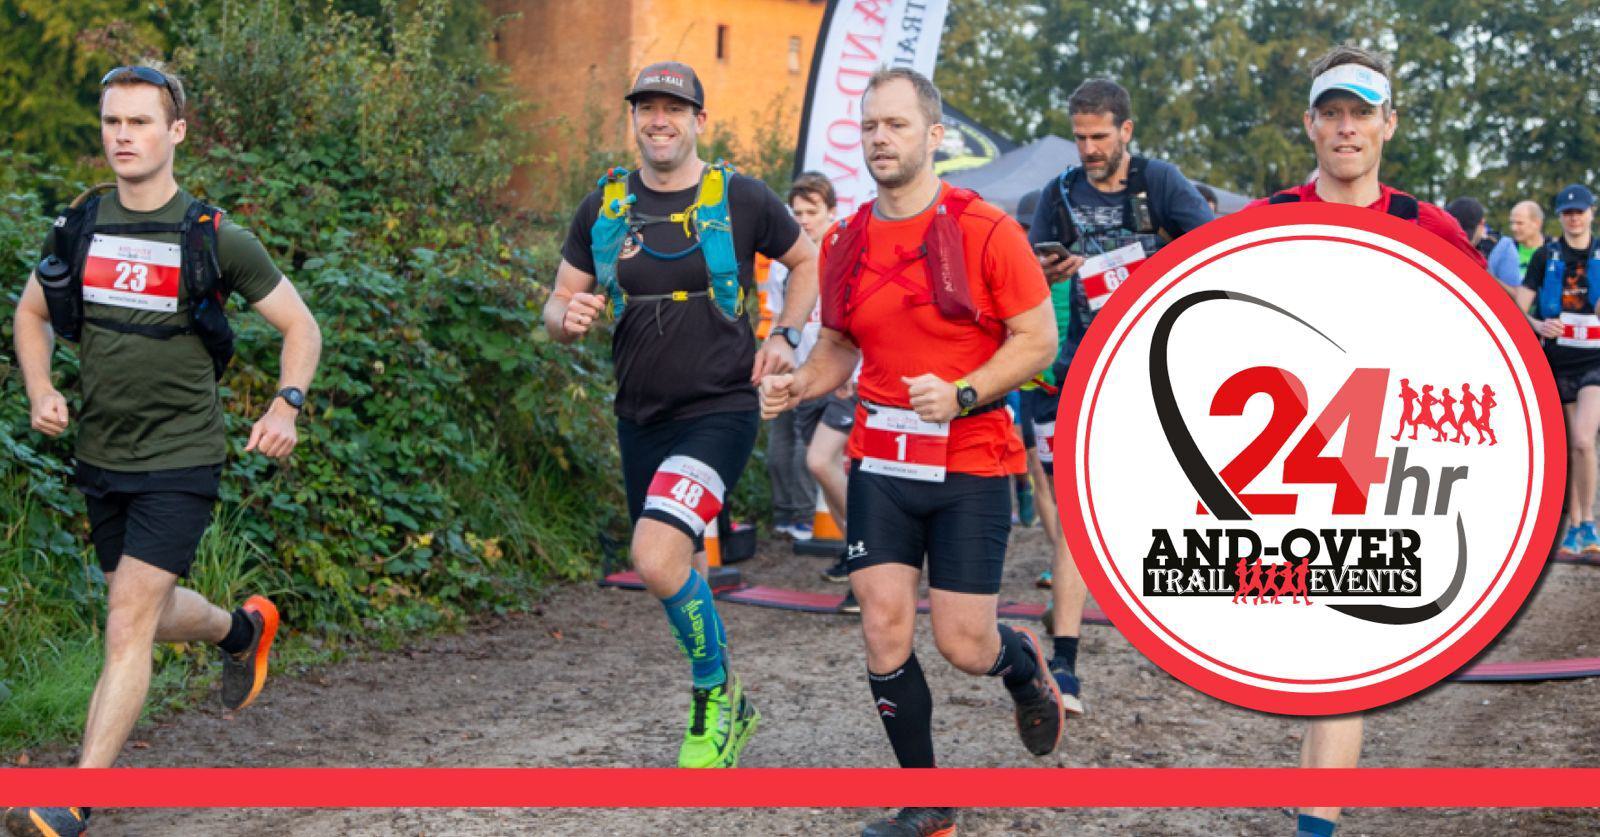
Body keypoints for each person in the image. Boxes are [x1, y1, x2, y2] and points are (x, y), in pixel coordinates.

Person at [6, 64, 322, 837]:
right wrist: (41, 387)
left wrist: (287, 401)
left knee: (125, 621)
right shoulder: (79, 226)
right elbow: (31, 313)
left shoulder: (213, 236)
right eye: (113, 122)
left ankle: (74, 803)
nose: (123, 136)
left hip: (181, 456)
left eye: (140, 122)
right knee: (144, 611)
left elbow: (301, 328)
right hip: (102, 453)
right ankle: (241, 630)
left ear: (175, 132)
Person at [761, 67, 1062, 837]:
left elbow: (1038, 339)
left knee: (964, 643)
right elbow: (836, 346)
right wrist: (797, 385)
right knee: (883, 627)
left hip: (971, 463)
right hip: (883, 464)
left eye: (896, 126)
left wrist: (963, 390)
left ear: (934, 137)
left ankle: (1022, 664)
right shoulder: (850, 239)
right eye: (869, 127)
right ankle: (927, 801)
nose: (880, 140)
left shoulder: (985, 228)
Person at [543, 61, 819, 769]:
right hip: (639, 415)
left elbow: (806, 259)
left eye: (674, 108)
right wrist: (564, 318)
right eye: (647, 108)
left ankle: (709, 699)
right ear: (634, 119)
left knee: (653, 554)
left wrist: (785, 331)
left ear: (699, 119)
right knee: (679, 569)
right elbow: (556, 302)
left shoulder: (743, 197)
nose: (659, 120)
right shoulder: (605, 205)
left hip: (720, 410)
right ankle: (733, 700)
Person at [1246, 44, 1487, 837]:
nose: (1346, 129)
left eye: (1362, 113)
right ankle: (1313, 802)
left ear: (1390, 122)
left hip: (1385, 465)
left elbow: (1486, 342)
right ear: (1309, 124)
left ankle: (1316, 821)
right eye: (1332, 113)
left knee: (1341, 657)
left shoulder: (1430, 226)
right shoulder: (1269, 221)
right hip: (1283, 467)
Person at [1027, 77, 1214, 715]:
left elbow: (1213, 250)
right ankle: (1066, 665)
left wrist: (1135, 261)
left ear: (1126, 131)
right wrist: (1045, 268)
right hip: (1076, 364)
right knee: (1074, 510)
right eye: (1079, 137)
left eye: (1099, 136)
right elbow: (1026, 271)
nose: (1088, 149)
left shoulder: (1160, 183)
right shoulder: (1056, 195)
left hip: (1151, 363)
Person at [779, 173, 863, 612]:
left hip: (847, 377)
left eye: (812, 213)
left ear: (832, 211)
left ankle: (873, 548)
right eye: (798, 214)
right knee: (823, 470)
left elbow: (864, 313)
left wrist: (856, 364)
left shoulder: (846, 251)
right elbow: (784, 322)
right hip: (808, 379)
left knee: (819, 460)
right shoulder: (786, 261)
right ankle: (858, 549)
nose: (804, 221)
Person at [1512, 184, 1600, 554]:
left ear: (1591, 213)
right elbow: (1520, 304)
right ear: (1560, 217)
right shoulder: (1545, 255)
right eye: (1567, 213)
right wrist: (1537, 325)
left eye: (1580, 211)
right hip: (1557, 360)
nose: (1574, 218)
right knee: (1567, 447)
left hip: (1594, 359)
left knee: (1583, 438)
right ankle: (1576, 525)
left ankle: (1590, 524)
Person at [1489, 200, 1551, 290]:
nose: (1513, 228)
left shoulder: (1554, 251)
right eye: (1511, 223)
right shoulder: (1505, 250)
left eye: (1519, 223)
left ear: (1537, 223)